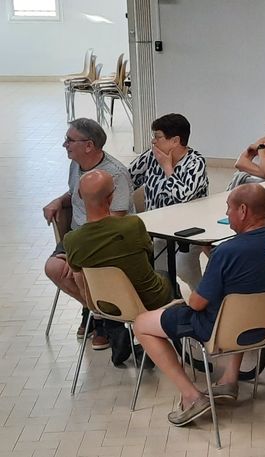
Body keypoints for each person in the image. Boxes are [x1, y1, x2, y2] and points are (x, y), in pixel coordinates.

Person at [133, 184, 265, 426]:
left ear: (243, 210)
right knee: (241, 296)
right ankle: (229, 379)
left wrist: (215, 263)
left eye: (229, 209)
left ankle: (191, 396)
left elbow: (196, 304)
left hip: (219, 331)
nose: (227, 214)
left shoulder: (226, 252)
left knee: (141, 324)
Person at [64, 170, 174, 364]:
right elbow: (148, 254)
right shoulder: (133, 225)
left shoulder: (72, 240)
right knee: (166, 275)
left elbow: (80, 279)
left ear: (79, 195)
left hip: (105, 305)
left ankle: (118, 333)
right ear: (111, 197)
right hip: (148, 298)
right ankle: (157, 340)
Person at [43, 118, 134, 349]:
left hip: (108, 239)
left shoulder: (115, 174)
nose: (64, 145)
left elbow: (116, 220)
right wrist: (59, 201)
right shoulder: (76, 164)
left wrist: (81, 249)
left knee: (81, 273)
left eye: (69, 140)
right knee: (53, 268)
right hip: (78, 235)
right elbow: (75, 193)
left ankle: (98, 318)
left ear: (89, 145)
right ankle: (103, 315)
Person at [129, 113, 209, 290]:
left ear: (175, 141)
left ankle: (205, 298)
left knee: (184, 268)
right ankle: (172, 296)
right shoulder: (150, 156)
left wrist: (167, 167)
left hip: (189, 230)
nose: (153, 141)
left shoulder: (195, 163)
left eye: (157, 137)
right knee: (159, 271)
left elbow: (183, 196)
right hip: (157, 228)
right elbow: (127, 179)